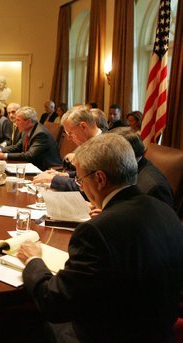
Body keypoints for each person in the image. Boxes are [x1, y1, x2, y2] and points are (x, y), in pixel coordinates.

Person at [18, 133, 183, 342]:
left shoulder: (97, 231)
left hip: (106, 334)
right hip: (158, 332)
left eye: (80, 180)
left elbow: (54, 304)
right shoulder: (164, 209)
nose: (81, 186)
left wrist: (34, 260)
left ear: (100, 178)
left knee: (25, 323)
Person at [33, 106, 102, 190]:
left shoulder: (101, 147)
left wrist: (53, 179)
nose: (68, 138)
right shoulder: (91, 142)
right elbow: (86, 174)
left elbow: (85, 186)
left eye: (70, 133)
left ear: (83, 126)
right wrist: (65, 175)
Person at [111, 127, 174, 208]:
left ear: (125, 154)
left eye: (111, 153)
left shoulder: (154, 187)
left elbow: (160, 219)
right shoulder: (127, 169)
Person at [0, 106, 61, 171]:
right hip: (32, 165)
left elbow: (29, 156)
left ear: (28, 122)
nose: (16, 123)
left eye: (18, 120)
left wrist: (3, 156)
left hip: (46, 169)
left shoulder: (40, 134)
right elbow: (17, 147)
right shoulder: (26, 130)